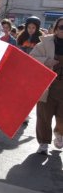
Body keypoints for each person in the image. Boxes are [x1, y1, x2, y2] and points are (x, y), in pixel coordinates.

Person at [30, 16, 63, 154]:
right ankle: (43, 143)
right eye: (61, 27)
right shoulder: (44, 43)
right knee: (44, 116)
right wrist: (46, 61)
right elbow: (31, 58)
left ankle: (59, 133)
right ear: (55, 29)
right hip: (47, 86)